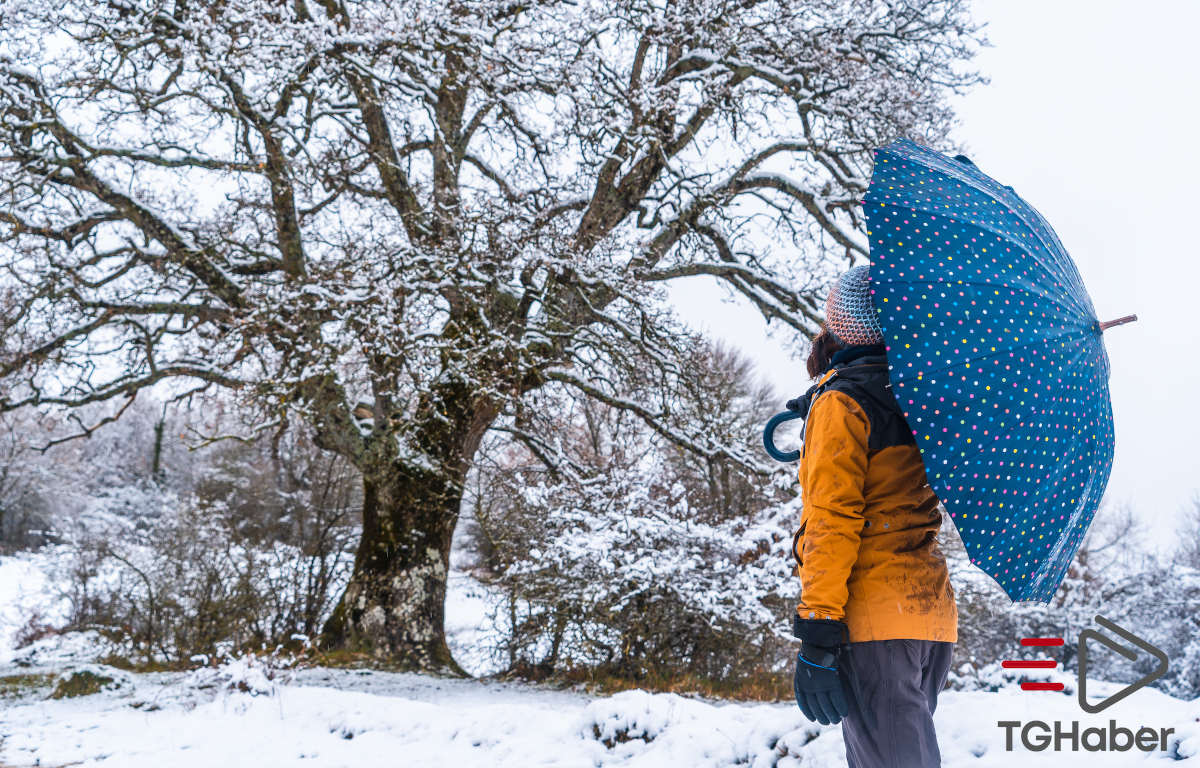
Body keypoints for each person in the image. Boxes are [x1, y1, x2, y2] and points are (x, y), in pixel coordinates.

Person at [788, 265, 957, 768]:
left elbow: (832, 521)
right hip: (929, 617)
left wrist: (817, 630)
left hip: (874, 618)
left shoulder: (844, 402)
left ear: (842, 325)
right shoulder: (924, 397)